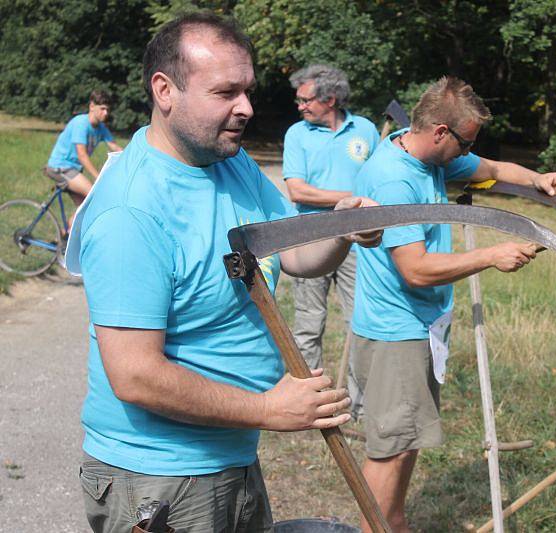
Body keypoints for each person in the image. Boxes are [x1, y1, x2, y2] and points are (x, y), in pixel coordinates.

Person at [72, 12, 380, 532]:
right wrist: (268, 409)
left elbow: (295, 255)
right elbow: (135, 375)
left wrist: (341, 230)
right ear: (165, 90)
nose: (247, 108)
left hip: (227, 456)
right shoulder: (132, 211)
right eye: (225, 92)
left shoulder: (227, 160)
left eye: (248, 90)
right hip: (159, 479)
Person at [350, 76, 556, 532]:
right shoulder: (394, 180)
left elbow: (490, 167)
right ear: (439, 132)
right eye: (465, 141)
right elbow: (414, 269)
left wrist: (538, 178)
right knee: (389, 450)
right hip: (397, 332)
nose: (468, 150)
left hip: (416, 330)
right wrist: (491, 256)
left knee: (405, 441)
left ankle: (393, 525)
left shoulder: (426, 159)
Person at [283, 64, 380, 417]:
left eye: (306, 99)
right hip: (310, 236)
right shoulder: (298, 134)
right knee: (310, 321)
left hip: (357, 239)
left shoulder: (366, 130)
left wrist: (365, 198)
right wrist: (351, 197)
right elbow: (298, 189)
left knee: (361, 319)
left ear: (331, 99)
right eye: (299, 100)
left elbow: (379, 179)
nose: (300, 106)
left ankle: (361, 404)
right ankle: (308, 402)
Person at [45, 90, 123, 227]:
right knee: (94, 196)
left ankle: (65, 237)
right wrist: (98, 177)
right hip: (60, 167)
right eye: (102, 109)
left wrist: (134, 156)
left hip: (73, 170)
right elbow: (82, 155)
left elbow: (114, 147)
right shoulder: (81, 123)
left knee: (85, 209)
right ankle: (68, 233)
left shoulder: (101, 128)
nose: (106, 113)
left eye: (108, 110)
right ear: (92, 106)